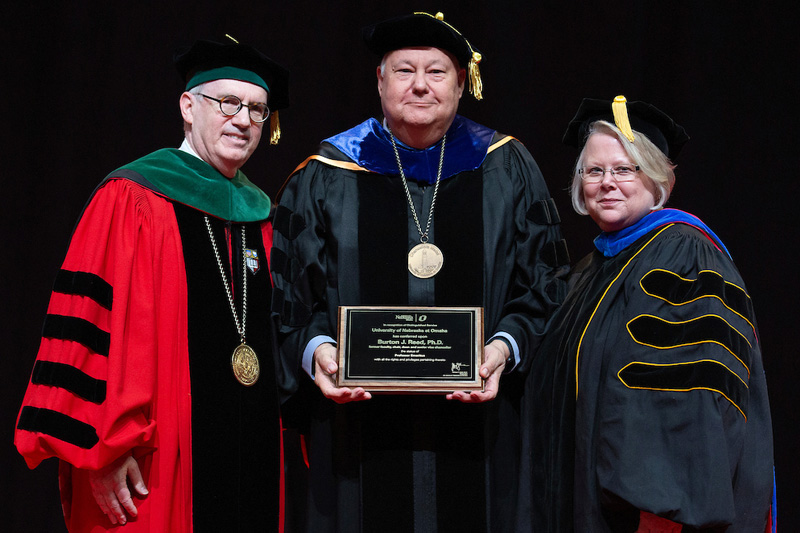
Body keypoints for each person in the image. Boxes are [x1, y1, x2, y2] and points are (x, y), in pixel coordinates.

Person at [270, 11, 568, 532]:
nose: (421, 85)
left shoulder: (507, 167)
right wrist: (319, 353)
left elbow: (545, 282)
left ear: (460, 85)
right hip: (355, 437)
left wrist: (500, 350)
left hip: (481, 434)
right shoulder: (325, 173)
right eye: (405, 70)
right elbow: (291, 293)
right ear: (380, 81)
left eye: (437, 72)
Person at [14, 37, 290, 532]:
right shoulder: (132, 198)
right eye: (228, 102)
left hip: (252, 460)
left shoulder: (263, 216)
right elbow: (90, 330)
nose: (244, 119)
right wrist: (100, 451)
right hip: (151, 464)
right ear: (188, 106)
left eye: (257, 109)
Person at [524, 96, 776, 532]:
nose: (607, 182)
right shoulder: (587, 274)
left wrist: (654, 515)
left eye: (625, 169)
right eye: (595, 171)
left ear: (658, 179)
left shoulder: (683, 254)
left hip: (647, 518)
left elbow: (685, 398)